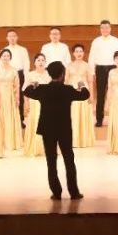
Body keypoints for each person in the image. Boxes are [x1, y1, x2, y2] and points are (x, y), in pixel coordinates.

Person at [23, 61, 90, 200]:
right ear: (62, 74)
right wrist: (82, 85)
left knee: (51, 160)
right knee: (69, 160)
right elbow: (85, 95)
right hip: (64, 128)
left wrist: (33, 84)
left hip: (47, 129)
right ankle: (74, 192)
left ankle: (56, 192)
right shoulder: (67, 89)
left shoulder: (43, 89)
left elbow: (26, 91)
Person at [89, 20, 118, 127]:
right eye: (102, 28)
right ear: (100, 29)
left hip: (113, 68)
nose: (105, 30)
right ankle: (99, 119)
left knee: (115, 93)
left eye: (107, 27)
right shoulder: (96, 41)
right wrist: (92, 72)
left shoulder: (116, 41)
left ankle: (116, 119)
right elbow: (91, 57)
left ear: (110, 28)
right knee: (100, 95)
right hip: (100, 69)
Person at [65, 44, 96, 148]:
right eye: (77, 51)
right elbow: (66, 81)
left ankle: (84, 140)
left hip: (84, 92)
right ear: (73, 53)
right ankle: (73, 141)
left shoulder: (87, 66)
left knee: (84, 115)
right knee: (73, 116)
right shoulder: (69, 65)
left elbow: (90, 82)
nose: (79, 53)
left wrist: (91, 95)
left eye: (81, 51)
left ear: (83, 53)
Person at [22, 54, 51, 157]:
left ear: (45, 62)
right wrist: (26, 104)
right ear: (34, 63)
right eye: (38, 60)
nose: (41, 62)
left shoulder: (49, 75)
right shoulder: (30, 75)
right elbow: (25, 91)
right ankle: (34, 148)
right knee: (35, 123)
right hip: (34, 103)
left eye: (43, 60)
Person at [0, 48, 23, 151]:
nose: (6, 57)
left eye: (8, 56)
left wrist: (17, 98)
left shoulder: (14, 70)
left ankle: (10, 142)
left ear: (10, 57)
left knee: (9, 117)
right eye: (4, 56)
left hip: (10, 96)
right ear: (0, 57)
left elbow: (17, 85)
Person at [3, 30, 31, 121]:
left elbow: (26, 65)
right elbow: (1, 65)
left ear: (17, 37)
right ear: (7, 38)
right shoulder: (3, 50)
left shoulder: (23, 50)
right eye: (10, 36)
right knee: (8, 97)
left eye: (14, 36)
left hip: (20, 74)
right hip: (8, 75)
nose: (12, 38)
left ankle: (20, 119)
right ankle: (10, 120)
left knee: (20, 97)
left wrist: (26, 79)